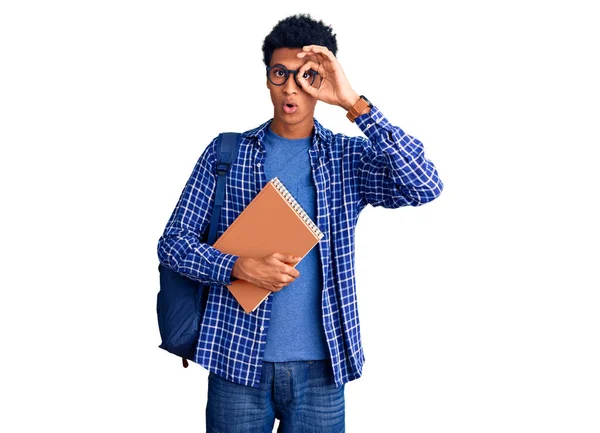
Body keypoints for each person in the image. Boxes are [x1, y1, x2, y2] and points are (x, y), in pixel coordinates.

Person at [157, 13, 443, 433]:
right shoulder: (226, 154)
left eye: (306, 76)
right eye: (280, 74)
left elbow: (424, 185)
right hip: (236, 361)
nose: (291, 88)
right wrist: (238, 266)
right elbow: (173, 244)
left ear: (321, 79)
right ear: (267, 77)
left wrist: (353, 104)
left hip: (322, 371)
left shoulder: (347, 159)